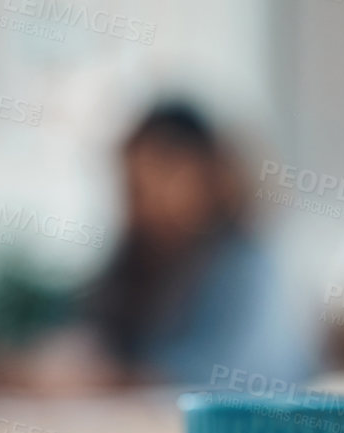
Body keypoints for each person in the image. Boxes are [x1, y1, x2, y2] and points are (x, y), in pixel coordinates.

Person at [75, 100, 312, 389]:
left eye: (161, 182)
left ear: (210, 178)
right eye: (134, 188)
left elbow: (216, 379)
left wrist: (102, 380)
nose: (146, 205)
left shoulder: (246, 270)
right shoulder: (139, 270)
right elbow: (92, 342)